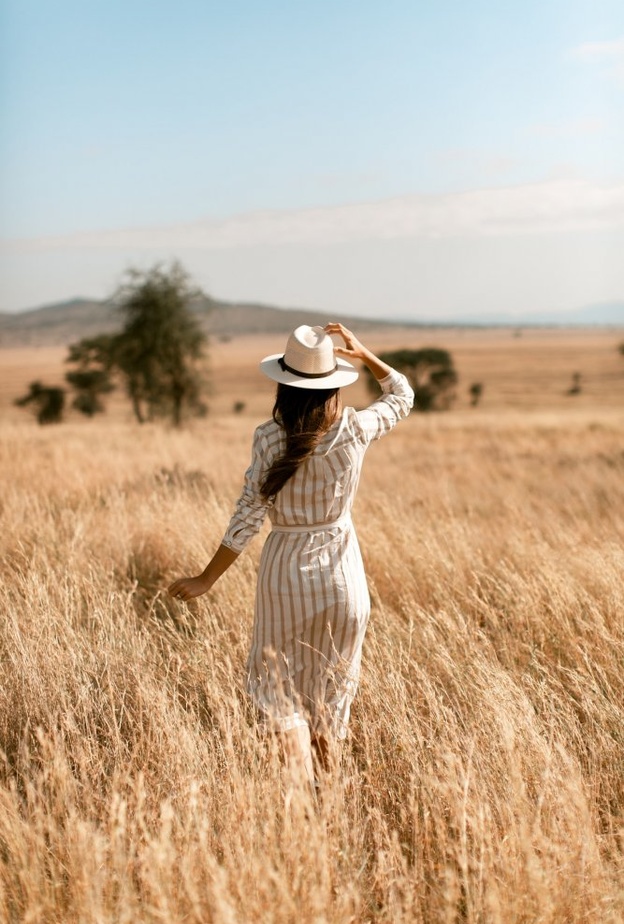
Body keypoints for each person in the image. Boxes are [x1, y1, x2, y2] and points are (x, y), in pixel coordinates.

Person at [168, 322, 414, 788]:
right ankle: (330, 811)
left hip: (287, 572)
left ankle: (298, 816)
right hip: (346, 577)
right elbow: (401, 397)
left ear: (284, 385)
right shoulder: (356, 429)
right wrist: (365, 354)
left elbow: (248, 515)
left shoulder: (268, 437)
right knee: (331, 696)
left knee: (277, 693)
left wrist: (207, 578)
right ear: (332, 384)